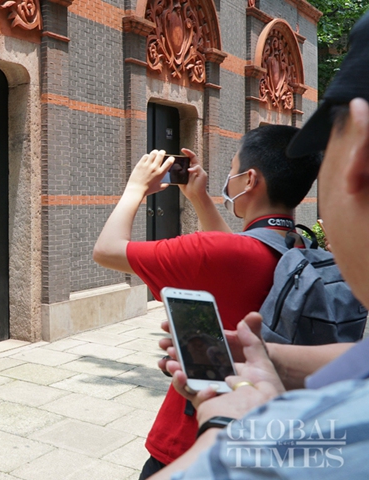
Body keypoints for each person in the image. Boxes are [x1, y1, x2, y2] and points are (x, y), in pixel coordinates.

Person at [151, 12, 369, 478]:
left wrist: (227, 426)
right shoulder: (282, 242)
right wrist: (269, 361)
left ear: (360, 156)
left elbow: (107, 252)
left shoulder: (308, 445)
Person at [92, 126, 321, 478]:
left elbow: (106, 250)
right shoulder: (297, 248)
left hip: (195, 436)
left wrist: (136, 188)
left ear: (250, 180)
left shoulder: (222, 252)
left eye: (232, 170)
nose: (227, 180)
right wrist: (198, 198)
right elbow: (234, 254)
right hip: (265, 429)